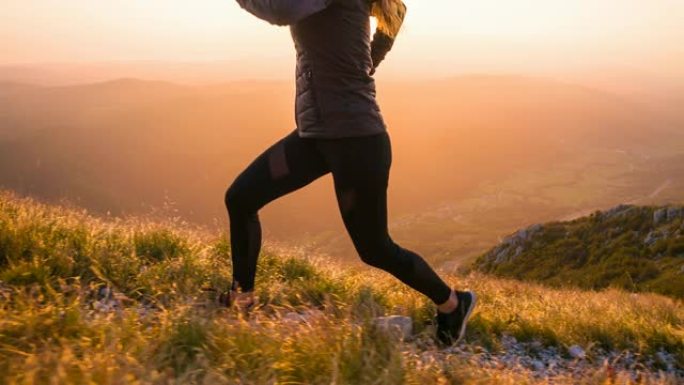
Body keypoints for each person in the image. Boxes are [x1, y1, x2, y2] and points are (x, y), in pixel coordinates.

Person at [225, 0, 476, 346]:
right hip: (314, 138)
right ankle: (242, 300)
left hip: (357, 142)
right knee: (241, 198)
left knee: (375, 248)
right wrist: (369, 59)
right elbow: (398, 11)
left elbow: (280, 11)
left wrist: (369, 60)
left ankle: (453, 303)